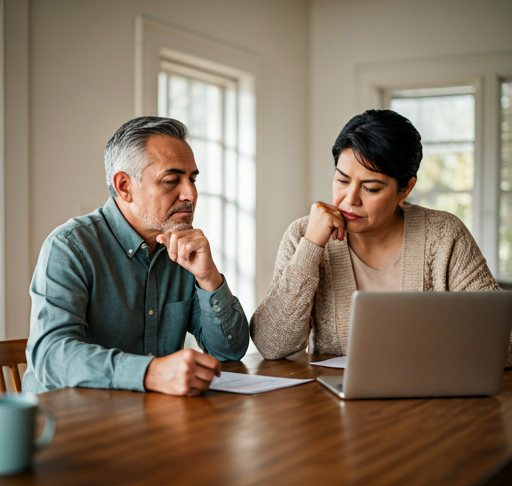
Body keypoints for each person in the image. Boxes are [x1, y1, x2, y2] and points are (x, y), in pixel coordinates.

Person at [250, 109, 512, 365]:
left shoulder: (444, 234)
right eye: (342, 181)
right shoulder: (302, 235)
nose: (350, 199)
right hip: (331, 403)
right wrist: (311, 247)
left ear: (405, 189)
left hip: (428, 400)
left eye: (371, 188)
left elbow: (505, 342)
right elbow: (271, 345)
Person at [23, 117, 249, 396]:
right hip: (69, 426)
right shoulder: (70, 246)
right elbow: (52, 357)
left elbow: (229, 351)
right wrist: (151, 372)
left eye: (192, 179)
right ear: (124, 187)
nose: (191, 193)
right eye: (171, 180)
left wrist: (208, 277)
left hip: (154, 419)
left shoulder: (182, 249)